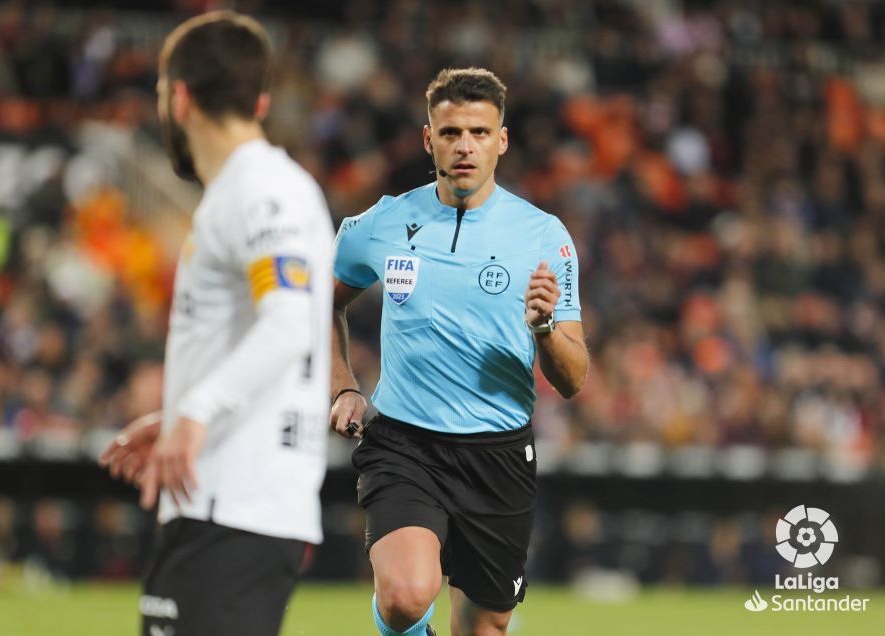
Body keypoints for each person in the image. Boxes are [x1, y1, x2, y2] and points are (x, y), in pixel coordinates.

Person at [330, 68, 589, 636]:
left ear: (502, 139)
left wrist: (544, 329)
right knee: (405, 597)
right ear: (429, 140)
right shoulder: (385, 222)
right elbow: (321, 303)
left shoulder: (544, 236)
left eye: (478, 131)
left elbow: (573, 379)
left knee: (484, 627)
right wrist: (343, 384)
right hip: (404, 443)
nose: (465, 145)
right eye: (450, 133)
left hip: (497, 455)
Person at [99, 11, 334, 636]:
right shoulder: (246, 190)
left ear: (178, 96)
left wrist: (198, 410)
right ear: (258, 98)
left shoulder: (262, 191)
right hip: (222, 503)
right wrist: (180, 413)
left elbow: (287, 323)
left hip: (236, 505)